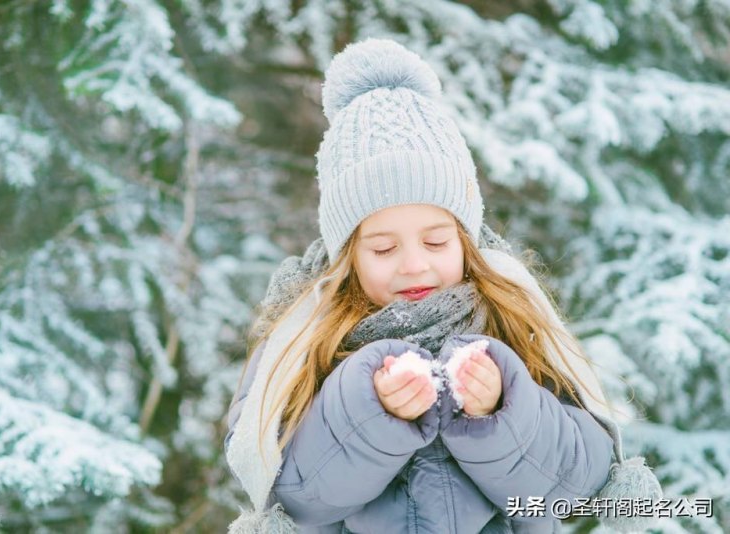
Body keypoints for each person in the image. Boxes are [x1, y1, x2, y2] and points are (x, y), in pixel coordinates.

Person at [224, 38, 661, 533]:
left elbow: (573, 485)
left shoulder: (511, 322)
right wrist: (372, 414)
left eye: (436, 242)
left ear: (466, 240)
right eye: (384, 249)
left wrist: (502, 410)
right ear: (346, 255)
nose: (414, 265)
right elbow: (293, 493)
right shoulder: (308, 338)